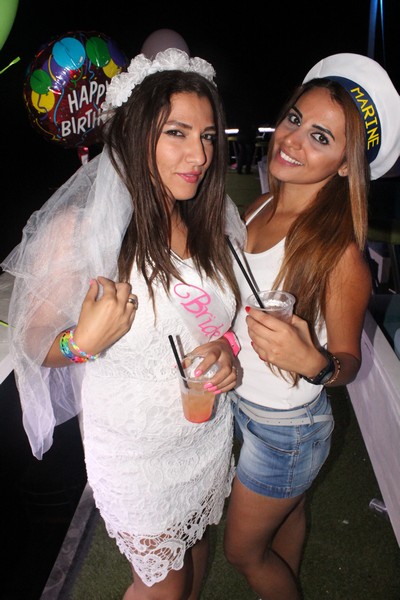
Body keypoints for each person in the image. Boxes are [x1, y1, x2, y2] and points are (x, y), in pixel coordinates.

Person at [1, 48, 246, 599]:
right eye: (177, 133)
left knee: (195, 550)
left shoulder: (209, 221)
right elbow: (32, 340)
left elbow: (226, 319)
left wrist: (227, 349)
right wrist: (80, 343)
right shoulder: (83, 231)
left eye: (208, 136)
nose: (199, 155)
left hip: (204, 431)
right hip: (134, 450)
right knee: (162, 587)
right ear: (136, 135)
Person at [223, 53, 400, 599]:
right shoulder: (257, 207)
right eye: (295, 119)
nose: (292, 140)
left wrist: (314, 362)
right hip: (242, 403)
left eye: (320, 138)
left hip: (287, 430)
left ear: (346, 165)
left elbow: (349, 363)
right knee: (289, 513)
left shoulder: (339, 254)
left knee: (243, 552)